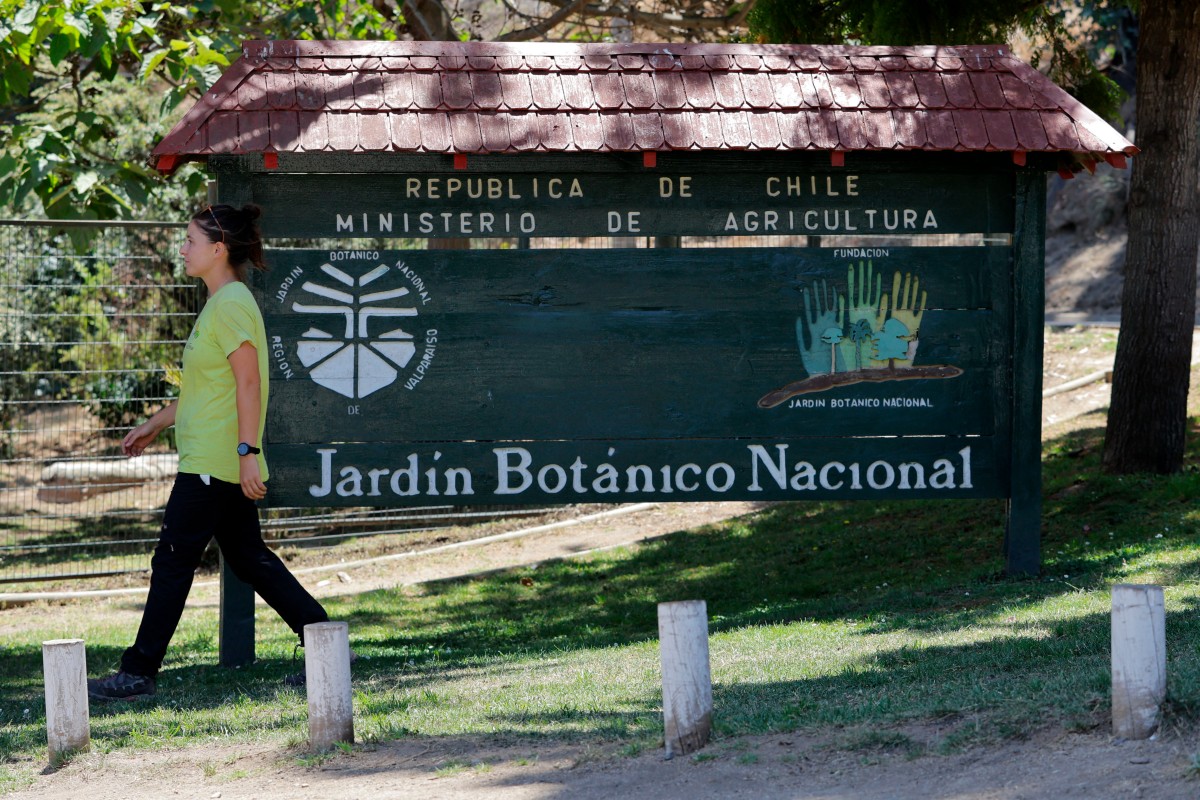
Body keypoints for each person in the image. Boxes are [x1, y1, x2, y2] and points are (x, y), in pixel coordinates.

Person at [88, 204, 330, 700]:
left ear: (218, 250)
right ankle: (327, 644)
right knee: (249, 558)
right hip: (213, 459)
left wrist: (246, 452)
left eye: (191, 241)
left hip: (216, 462)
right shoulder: (220, 303)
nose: (183, 248)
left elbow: (249, 383)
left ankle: (138, 671)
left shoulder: (233, 304)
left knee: (174, 561)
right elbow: (208, 388)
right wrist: (155, 424)